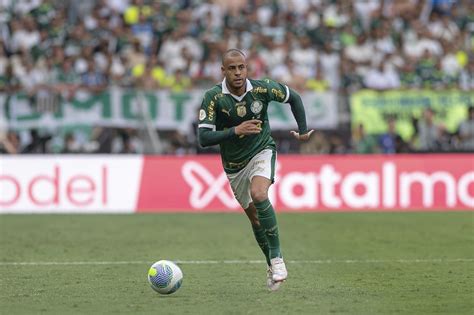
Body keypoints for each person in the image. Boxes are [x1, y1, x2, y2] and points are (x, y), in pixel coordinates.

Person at [197, 49, 313, 291]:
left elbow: (295, 98)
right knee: (255, 219)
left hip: (262, 150)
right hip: (234, 166)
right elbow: (203, 138)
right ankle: (270, 264)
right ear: (223, 71)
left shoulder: (262, 89)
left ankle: (278, 258)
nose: (238, 73)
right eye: (232, 68)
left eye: (241, 67)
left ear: (247, 68)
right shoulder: (213, 97)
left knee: (260, 194)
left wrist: (302, 129)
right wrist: (235, 131)